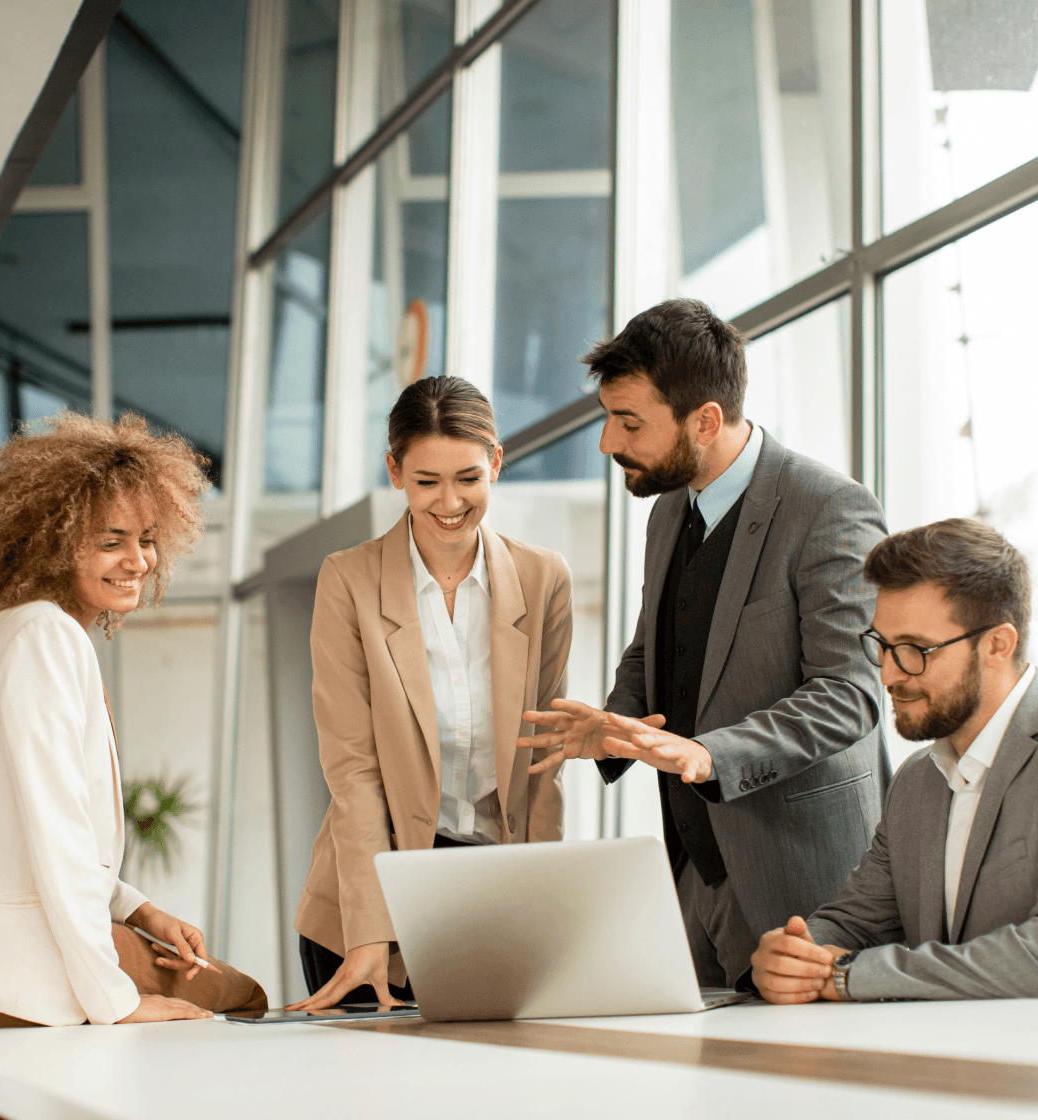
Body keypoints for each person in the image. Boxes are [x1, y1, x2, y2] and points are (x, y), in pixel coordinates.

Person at [519, 299, 889, 987]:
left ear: (706, 420)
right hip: (694, 870)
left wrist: (706, 753)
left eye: (629, 423)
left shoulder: (827, 508)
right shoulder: (669, 510)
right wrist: (614, 722)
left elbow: (851, 695)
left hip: (805, 880)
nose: (607, 443)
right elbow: (653, 645)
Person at [0, 413, 266, 1052]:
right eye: (111, 540)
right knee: (239, 993)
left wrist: (138, 910)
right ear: (52, 539)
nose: (137, 560)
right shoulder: (45, 637)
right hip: (0, 979)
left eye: (146, 538)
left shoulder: (0, 634)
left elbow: (15, 830)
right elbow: (57, 835)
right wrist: (116, 1001)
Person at [289, 375, 572, 1011]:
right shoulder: (349, 582)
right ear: (394, 471)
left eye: (469, 478)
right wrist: (370, 931)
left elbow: (543, 763)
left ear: (496, 463)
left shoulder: (543, 577)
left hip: (491, 895)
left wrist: (546, 913)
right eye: (427, 482)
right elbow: (353, 771)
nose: (450, 502)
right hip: (370, 899)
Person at [752, 519, 1038, 1003]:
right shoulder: (917, 780)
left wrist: (851, 976)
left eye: (913, 650)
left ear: (997, 644)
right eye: (882, 645)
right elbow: (856, 920)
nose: (887, 673)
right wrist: (794, 955)